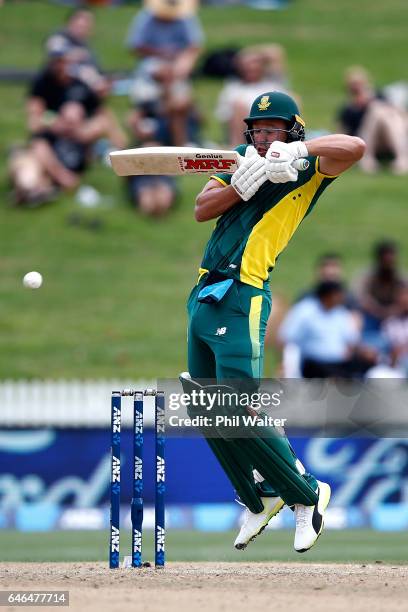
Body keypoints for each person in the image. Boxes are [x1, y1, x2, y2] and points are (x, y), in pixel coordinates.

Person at [180, 90, 366, 554]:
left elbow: (355, 148)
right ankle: (256, 498)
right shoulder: (242, 157)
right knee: (207, 405)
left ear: (292, 129)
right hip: (205, 292)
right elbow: (202, 209)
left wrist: (302, 151)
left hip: (246, 290)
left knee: (240, 406)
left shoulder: (306, 168)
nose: (263, 138)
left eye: (273, 130)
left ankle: (307, 495)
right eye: (257, 130)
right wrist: (239, 186)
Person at [126, 0, 204, 146]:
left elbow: (194, 47)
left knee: (180, 103)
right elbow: (136, 46)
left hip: (176, 67)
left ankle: (182, 140)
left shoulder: (186, 17)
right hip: (151, 66)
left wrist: (184, 62)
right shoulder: (145, 18)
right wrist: (161, 53)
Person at [279, 280, 376, 378]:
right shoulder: (305, 310)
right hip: (314, 363)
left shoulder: (340, 313)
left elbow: (352, 339)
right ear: (328, 295)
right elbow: (287, 337)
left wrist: (364, 351)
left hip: (339, 363)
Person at [216, 45, 291, 146]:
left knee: (293, 99)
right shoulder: (233, 89)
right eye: (247, 66)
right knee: (239, 105)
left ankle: (291, 146)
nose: (251, 68)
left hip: (276, 124)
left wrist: (256, 55)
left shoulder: (272, 83)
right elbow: (225, 117)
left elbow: (276, 52)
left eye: (255, 65)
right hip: (248, 131)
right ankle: (237, 149)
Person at [338, 66, 408, 174]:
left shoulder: (380, 96)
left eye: (359, 84)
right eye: (354, 85)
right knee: (377, 111)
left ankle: (401, 157)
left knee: (386, 112)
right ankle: (400, 158)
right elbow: (342, 133)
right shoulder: (348, 109)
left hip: (389, 136)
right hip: (365, 141)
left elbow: (398, 116)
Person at [45, 8, 110, 96]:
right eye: (80, 25)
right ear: (70, 23)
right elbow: (55, 54)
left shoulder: (86, 47)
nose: (83, 29)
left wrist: (100, 81)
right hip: (60, 88)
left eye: (87, 26)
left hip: (82, 91)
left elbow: (94, 71)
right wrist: (72, 55)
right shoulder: (59, 38)